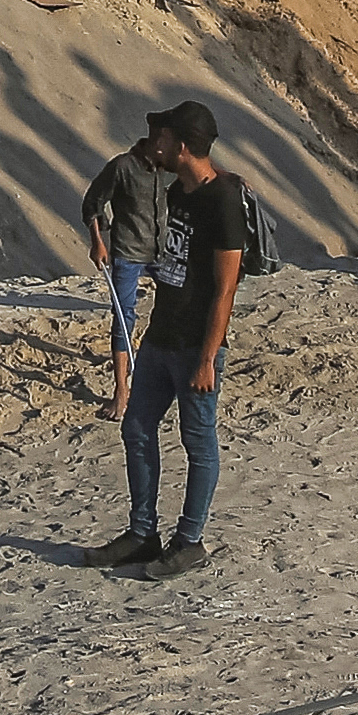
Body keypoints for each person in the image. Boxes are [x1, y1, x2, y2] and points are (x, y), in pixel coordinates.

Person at [108, 101, 251, 567]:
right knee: (137, 427)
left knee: (198, 442)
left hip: (195, 347)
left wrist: (208, 358)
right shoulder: (179, 193)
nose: (156, 144)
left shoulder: (223, 201)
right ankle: (142, 533)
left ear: (183, 145)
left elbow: (225, 287)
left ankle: (189, 542)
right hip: (161, 336)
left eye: (163, 138)